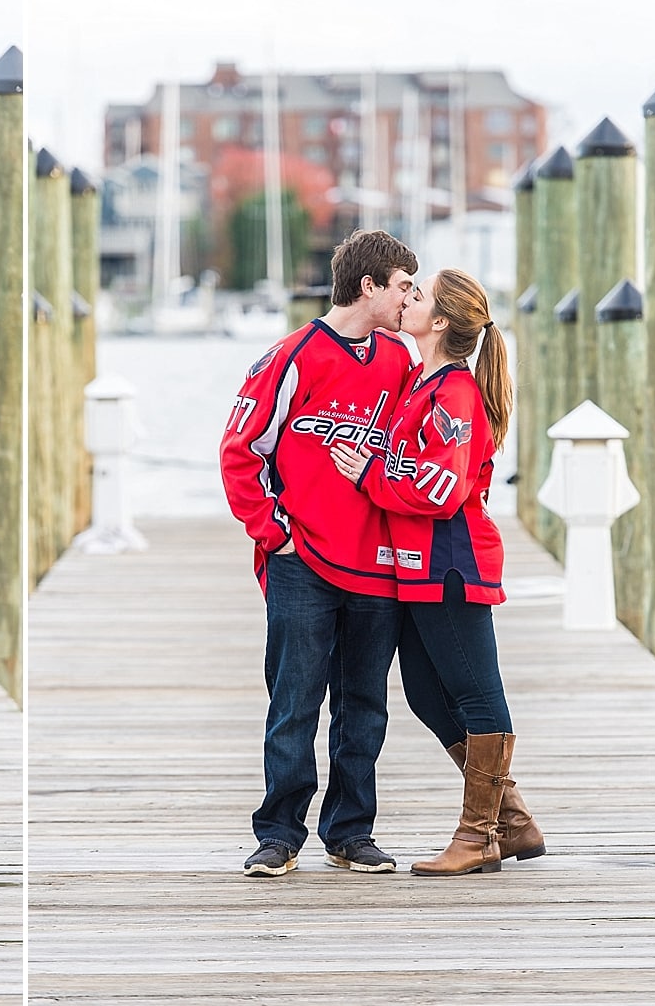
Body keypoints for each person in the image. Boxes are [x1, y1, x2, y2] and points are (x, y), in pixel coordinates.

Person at [330, 268, 543, 876]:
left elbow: (443, 488)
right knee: (426, 691)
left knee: (478, 695)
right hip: (415, 565)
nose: (407, 301)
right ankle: (514, 820)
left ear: (442, 321)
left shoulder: (453, 393)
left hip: (451, 562)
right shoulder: (421, 386)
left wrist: (367, 474)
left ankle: (479, 837)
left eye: (417, 297)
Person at [220, 229, 418, 877]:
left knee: (364, 706)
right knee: (294, 702)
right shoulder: (292, 356)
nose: (408, 298)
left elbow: (420, 446)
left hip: (376, 564)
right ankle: (279, 832)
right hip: (302, 562)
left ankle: (350, 830)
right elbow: (240, 451)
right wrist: (274, 533)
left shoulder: (401, 359)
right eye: (402, 286)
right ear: (369, 286)